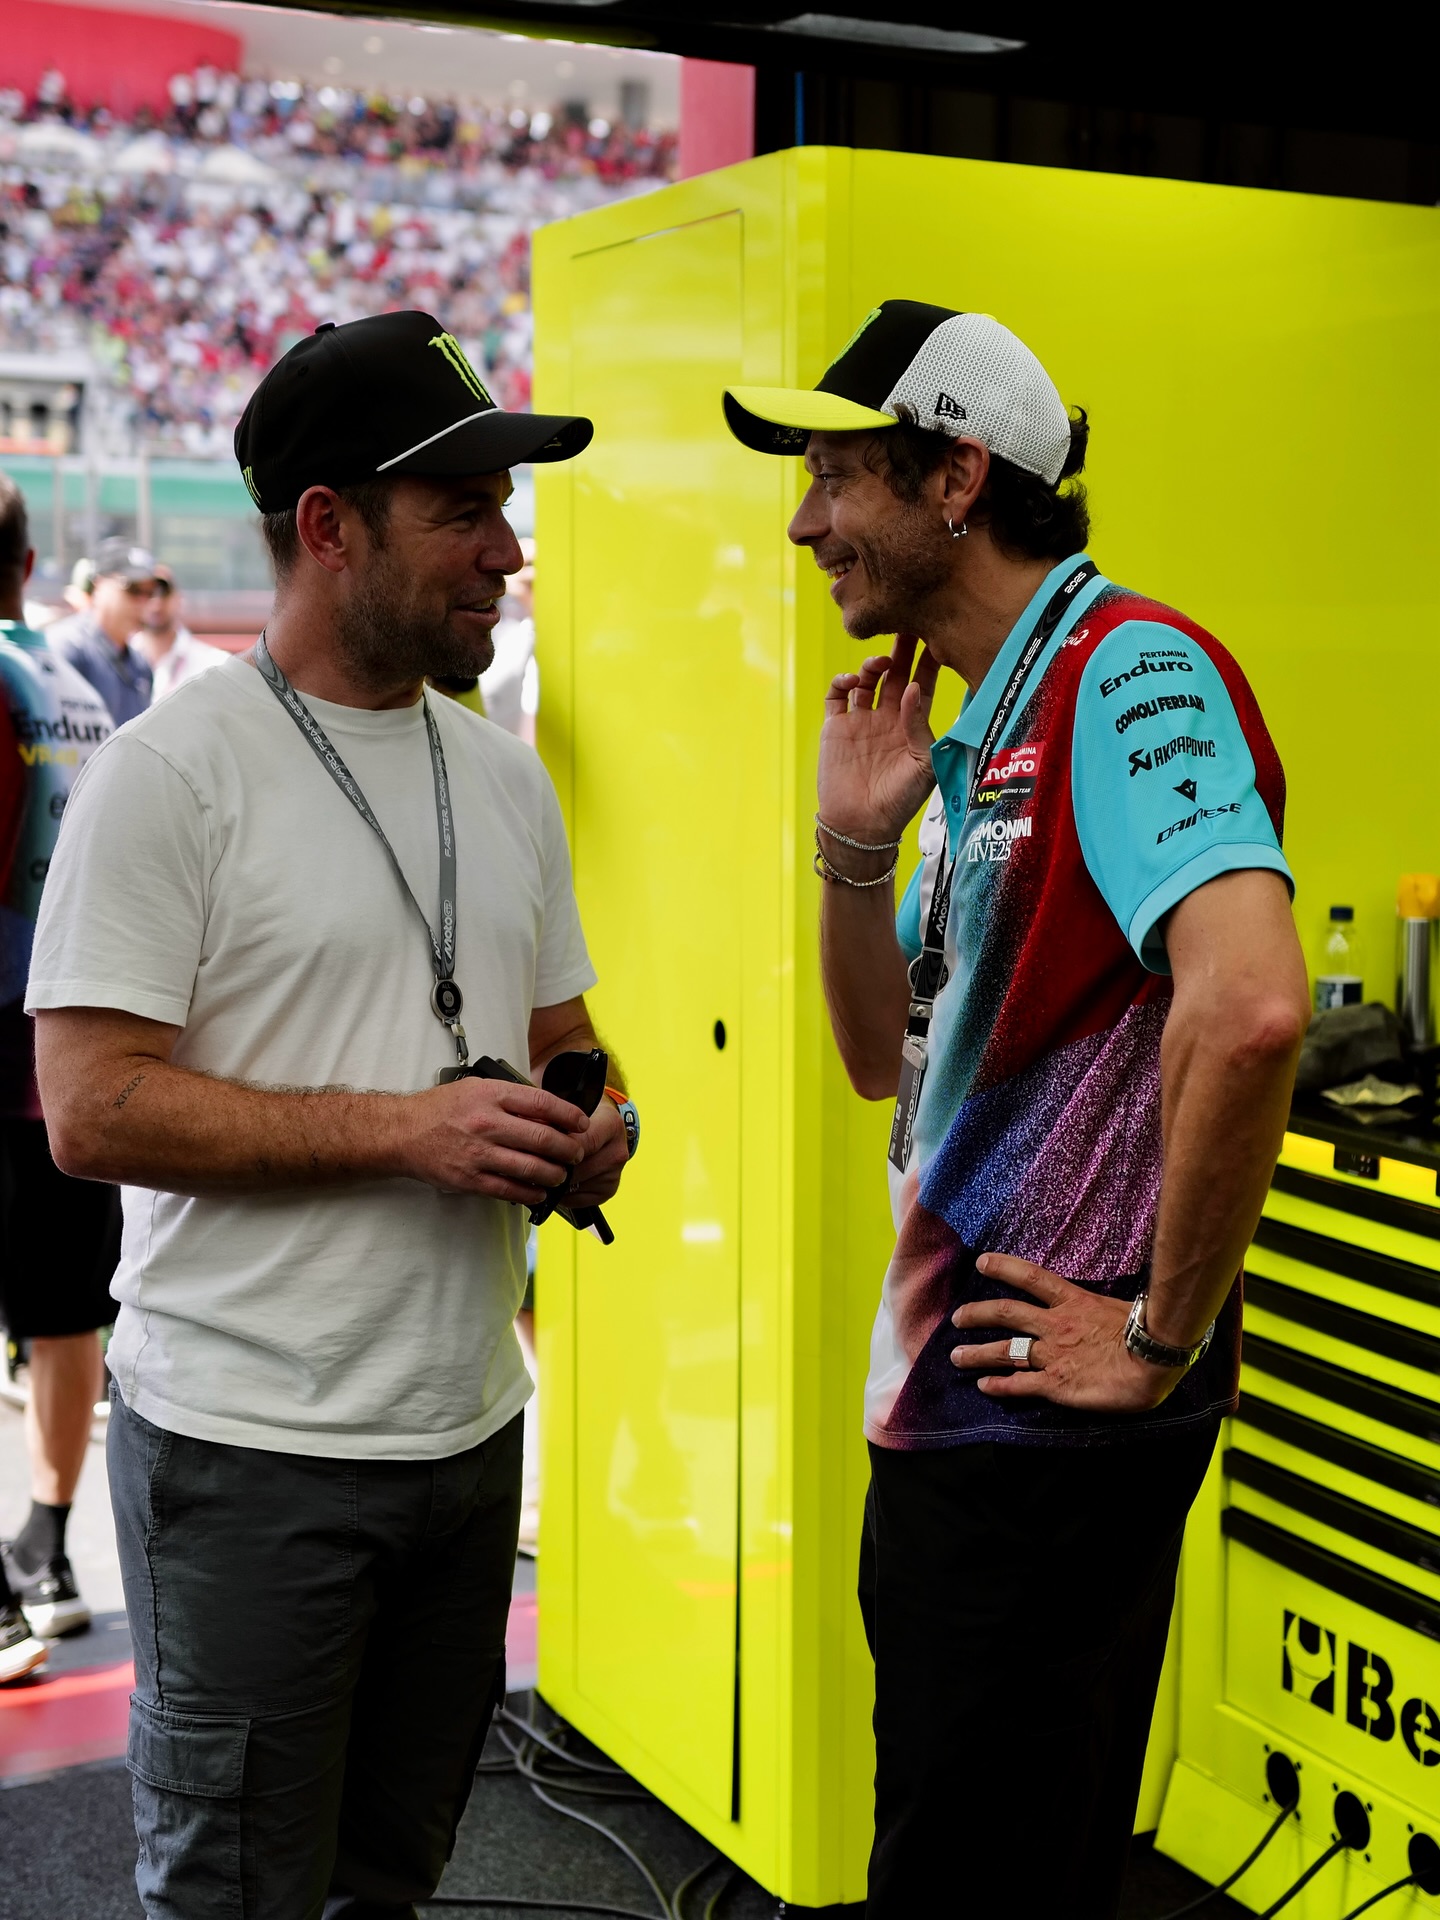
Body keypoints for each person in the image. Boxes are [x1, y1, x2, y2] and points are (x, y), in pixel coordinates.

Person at [27, 310, 636, 1916]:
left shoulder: (503, 776)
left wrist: (591, 1120)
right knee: (235, 1889)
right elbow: (89, 1109)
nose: (507, 552)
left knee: (393, 1876)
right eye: (464, 512)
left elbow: (563, 1035)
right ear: (329, 525)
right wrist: (405, 1131)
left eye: (506, 511)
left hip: (468, 1434)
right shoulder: (168, 776)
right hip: (247, 1455)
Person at [724, 302, 1310, 1918]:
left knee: (976, 1875)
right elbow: (881, 1058)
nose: (804, 522)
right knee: (982, 1854)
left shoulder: (1128, 670)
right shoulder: (999, 716)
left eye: (836, 474)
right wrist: (855, 850)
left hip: (1043, 1429)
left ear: (957, 476)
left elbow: (1255, 1007)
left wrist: (1160, 1332)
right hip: (968, 1415)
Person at [0, 473, 117, 1680]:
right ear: (31, 566)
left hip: (5, 1033)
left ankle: (2, 1596)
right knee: (64, 1305)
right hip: (67, 1041)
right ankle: (47, 1553)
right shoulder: (77, 683)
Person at [47, 538, 156, 724]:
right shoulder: (69, 648)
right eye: (133, 589)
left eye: (150, 592)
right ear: (99, 584)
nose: (143, 602)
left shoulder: (141, 666)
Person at [133, 563, 228, 701]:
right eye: (147, 593)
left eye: (163, 592)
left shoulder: (214, 664)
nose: (156, 603)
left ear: (178, 598)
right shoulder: (120, 659)